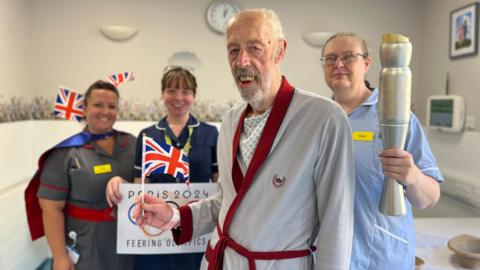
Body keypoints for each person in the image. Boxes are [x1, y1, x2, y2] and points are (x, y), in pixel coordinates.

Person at [132, 9, 355, 270]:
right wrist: (174, 217)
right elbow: (227, 201)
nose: (242, 60)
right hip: (224, 261)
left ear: (279, 51)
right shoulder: (229, 121)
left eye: (255, 47)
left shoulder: (323, 119)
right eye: (233, 50)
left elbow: (336, 223)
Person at [321, 32, 444, 269]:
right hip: (329, 255)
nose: (338, 64)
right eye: (330, 58)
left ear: (367, 63)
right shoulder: (318, 118)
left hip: (381, 257)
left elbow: (430, 198)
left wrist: (413, 177)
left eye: (348, 56)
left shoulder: (398, 118)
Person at [106, 66, 219, 270]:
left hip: (196, 232)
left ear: (194, 96)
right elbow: (140, 185)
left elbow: (220, 182)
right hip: (156, 236)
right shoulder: (148, 135)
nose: (178, 97)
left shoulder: (210, 133)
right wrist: (120, 184)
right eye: (172, 90)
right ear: (162, 94)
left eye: (186, 92)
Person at [25, 80, 136, 270]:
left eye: (112, 106)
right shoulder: (65, 153)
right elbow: (51, 209)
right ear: (84, 109)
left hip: (127, 242)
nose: (105, 111)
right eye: (98, 105)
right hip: (86, 246)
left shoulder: (133, 144)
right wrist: (60, 256)